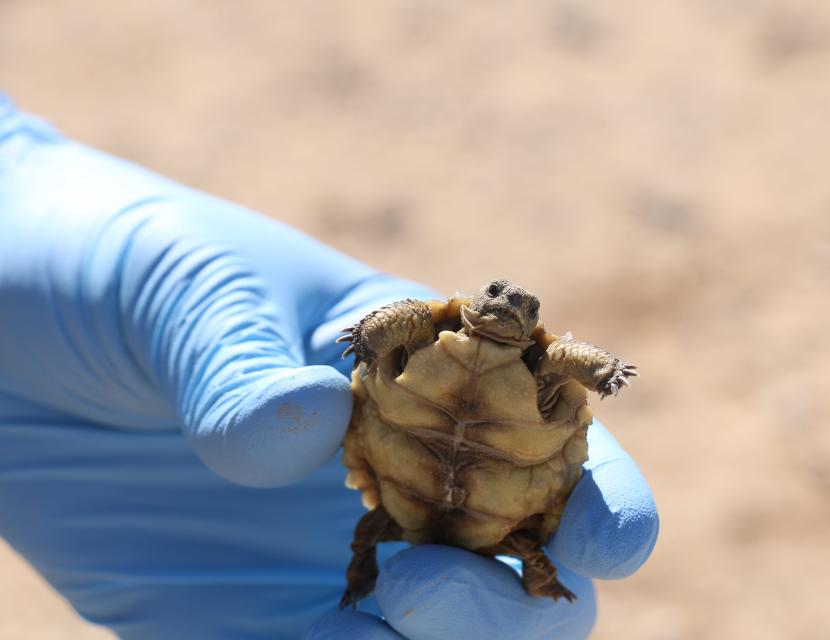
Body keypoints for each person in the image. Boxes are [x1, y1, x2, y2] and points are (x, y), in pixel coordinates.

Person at [0, 94, 659, 639]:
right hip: (417, 483)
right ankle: (360, 587)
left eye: (518, 303)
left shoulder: (548, 367)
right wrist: (369, 335)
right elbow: (396, 325)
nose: (505, 303)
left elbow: (572, 363)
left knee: (527, 554)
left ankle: (537, 583)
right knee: (372, 531)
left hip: (496, 509)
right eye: (497, 294)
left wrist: (603, 370)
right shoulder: (433, 328)